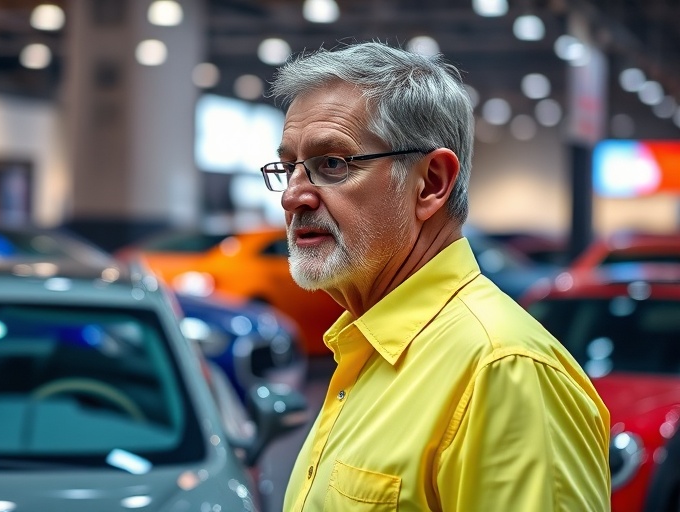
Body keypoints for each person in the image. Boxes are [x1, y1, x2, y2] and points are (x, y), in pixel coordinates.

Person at [259, 41, 610, 511]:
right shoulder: (369, 347)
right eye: (288, 168)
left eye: (332, 164)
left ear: (431, 183)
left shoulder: (503, 372)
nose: (293, 197)